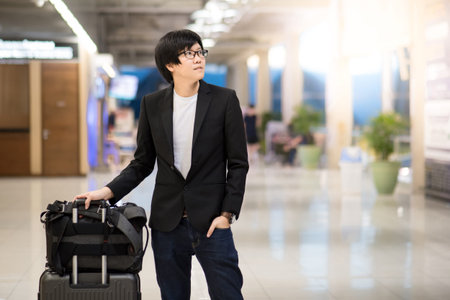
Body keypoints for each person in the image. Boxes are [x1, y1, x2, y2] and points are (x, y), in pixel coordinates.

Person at [74, 29, 249, 300]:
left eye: (200, 52)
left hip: (212, 221)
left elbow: (238, 164)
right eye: (189, 54)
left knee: (227, 294)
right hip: (168, 224)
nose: (198, 58)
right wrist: (107, 192)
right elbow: (142, 162)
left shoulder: (225, 100)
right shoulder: (152, 104)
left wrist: (227, 215)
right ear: (170, 65)